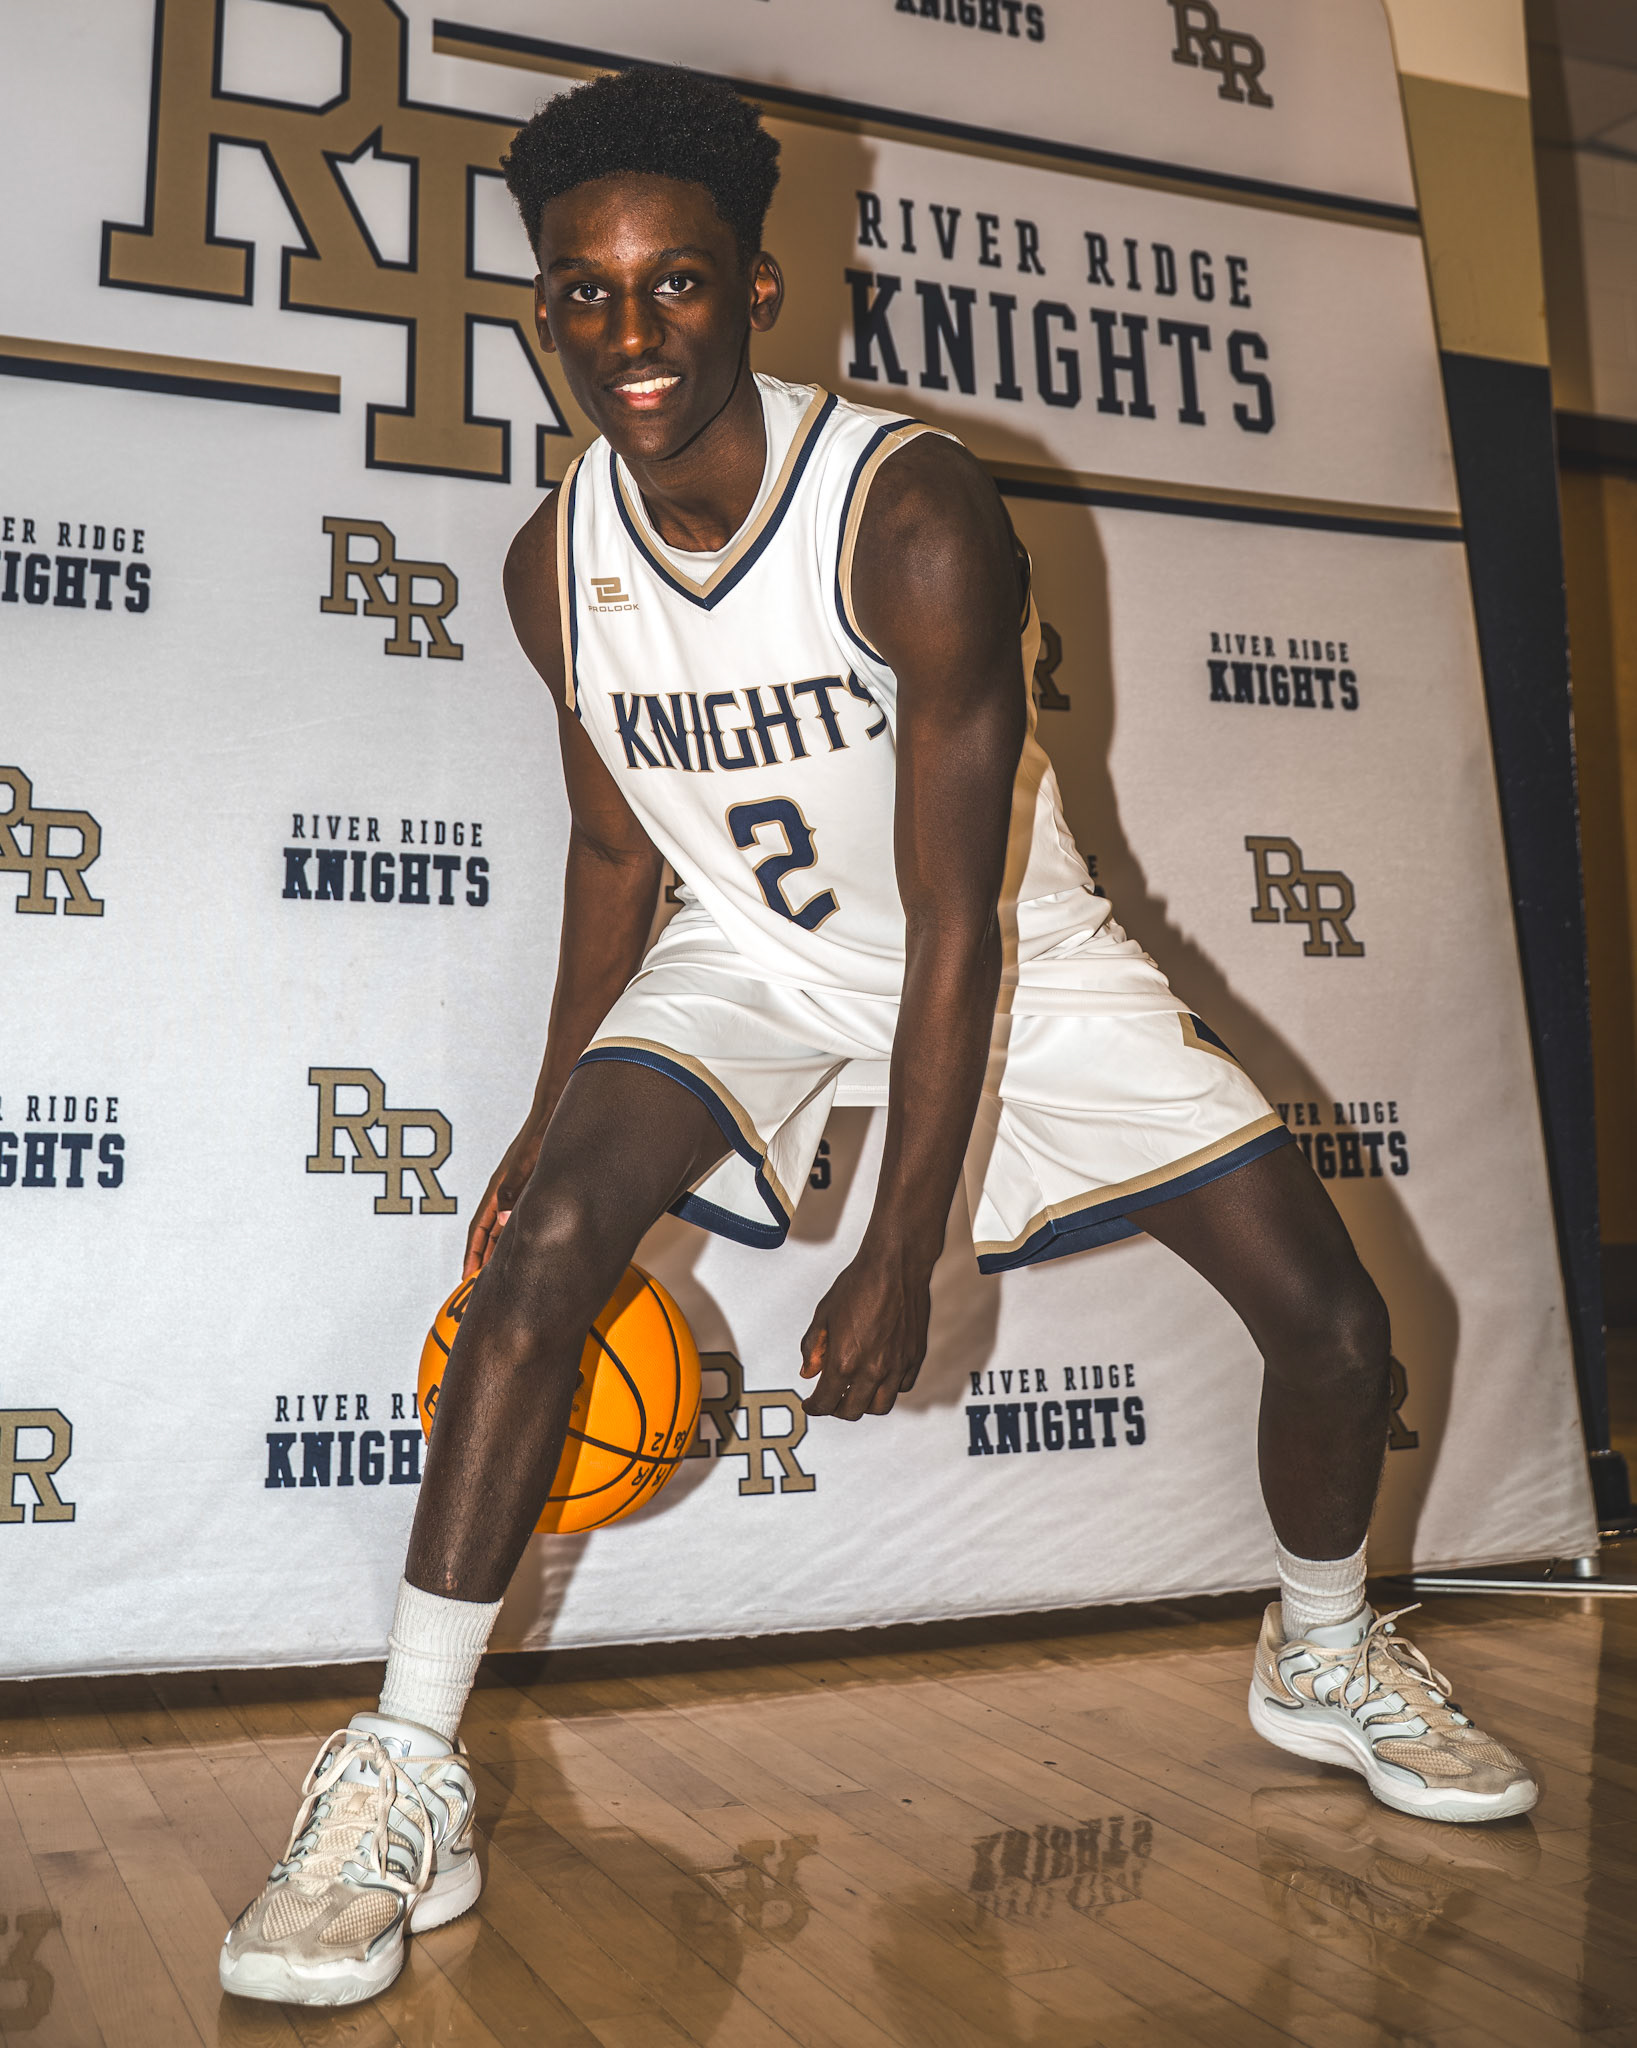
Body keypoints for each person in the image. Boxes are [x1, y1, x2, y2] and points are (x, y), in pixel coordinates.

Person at [219, 65, 1536, 2010]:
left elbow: (954, 922)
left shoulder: (907, 516)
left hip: (1008, 955)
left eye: (675, 283)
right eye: (584, 291)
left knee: (1338, 1330)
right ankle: (402, 1769)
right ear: (544, 309)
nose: (629, 331)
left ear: (755, 291)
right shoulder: (552, 561)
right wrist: (540, 1117)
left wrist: (904, 1247)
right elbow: (615, 847)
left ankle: (1325, 1649)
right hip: (750, 954)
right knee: (541, 1254)